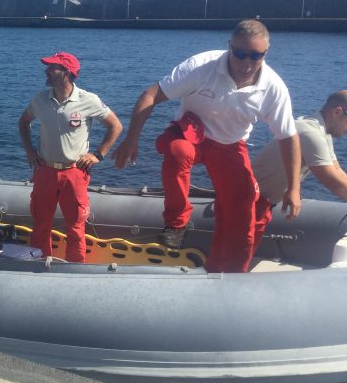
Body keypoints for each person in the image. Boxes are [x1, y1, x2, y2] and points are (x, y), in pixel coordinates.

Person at [112, 20, 301, 273]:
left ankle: (227, 273)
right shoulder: (202, 66)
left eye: (255, 56)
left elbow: (288, 137)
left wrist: (293, 187)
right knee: (178, 151)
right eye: (240, 54)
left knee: (244, 208)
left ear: (266, 53)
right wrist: (131, 138)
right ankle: (176, 224)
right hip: (191, 134)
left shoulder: (273, 88)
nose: (246, 62)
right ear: (229, 46)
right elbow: (151, 95)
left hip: (230, 145)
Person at [252, 90, 347, 242]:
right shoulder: (311, 134)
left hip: (262, 203)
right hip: (250, 201)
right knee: (240, 253)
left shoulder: (321, 131)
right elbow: (334, 183)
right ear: (337, 112)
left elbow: (338, 172)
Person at [18, 52, 123, 262]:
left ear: (66, 73)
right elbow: (23, 122)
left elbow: (116, 126)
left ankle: (75, 267)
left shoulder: (88, 100)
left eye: (52, 68)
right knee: (41, 224)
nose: (47, 71)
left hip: (74, 173)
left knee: (76, 227)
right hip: (45, 171)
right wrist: (30, 151)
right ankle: (38, 264)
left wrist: (98, 154)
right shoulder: (41, 99)